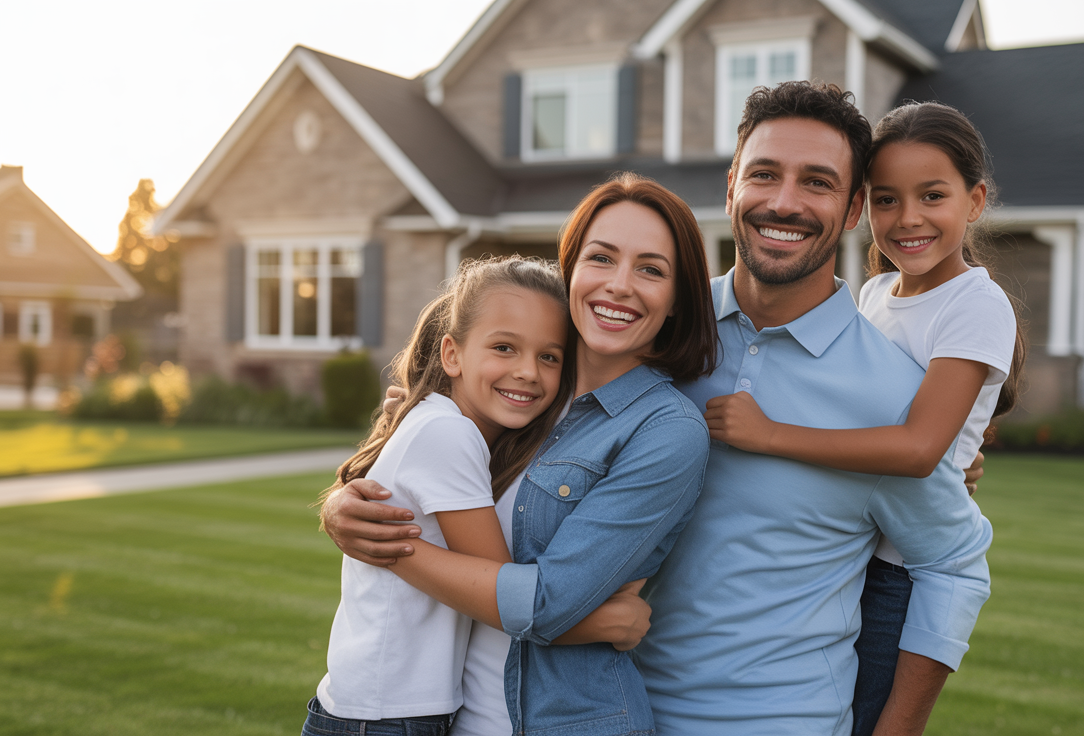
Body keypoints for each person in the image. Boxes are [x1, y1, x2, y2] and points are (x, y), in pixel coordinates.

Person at [325, 83, 990, 736]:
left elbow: (951, 563)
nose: (784, 202)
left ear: (852, 210)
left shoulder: (890, 397)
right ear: (731, 186)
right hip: (598, 704)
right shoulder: (647, 329)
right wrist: (350, 497)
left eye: (816, 182)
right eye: (764, 174)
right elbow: (458, 415)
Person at [320, 173, 719, 736]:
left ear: (677, 299)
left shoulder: (666, 430)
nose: (620, 285)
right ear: (571, 270)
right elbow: (416, 457)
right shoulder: (526, 394)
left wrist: (388, 548)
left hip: (567, 720)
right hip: (454, 716)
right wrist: (342, 508)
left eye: (651, 269)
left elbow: (547, 602)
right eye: (601, 258)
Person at [700, 100, 1025, 735]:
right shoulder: (878, 293)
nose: (907, 219)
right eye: (886, 200)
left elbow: (919, 448)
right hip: (855, 551)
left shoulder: (976, 305)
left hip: (899, 571)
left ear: (976, 199)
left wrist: (770, 435)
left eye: (933, 196)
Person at [304, 257, 576, 735]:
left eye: (549, 356)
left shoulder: (444, 423)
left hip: (389, 708)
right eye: (505, 348)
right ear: (452, 354)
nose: (529, 371)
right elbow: (498, 591)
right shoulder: (448, 433)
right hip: (384, 716)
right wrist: (598, 625)